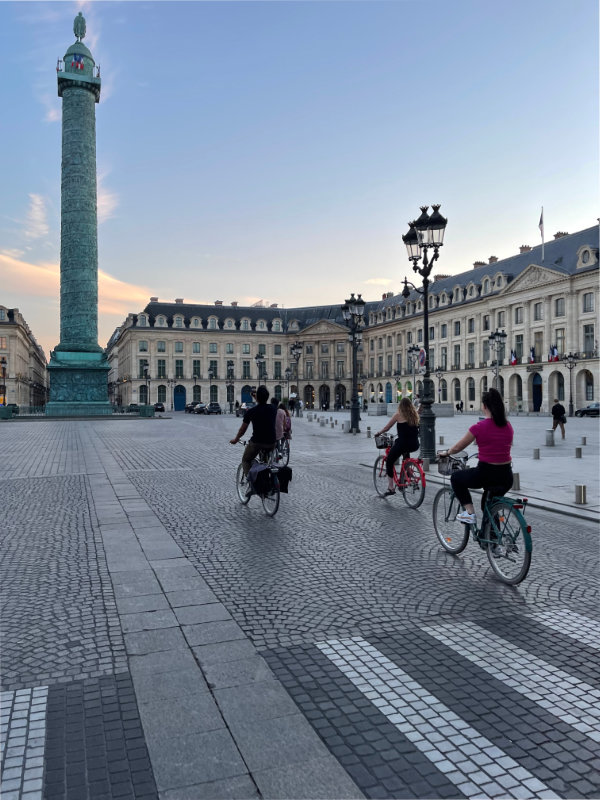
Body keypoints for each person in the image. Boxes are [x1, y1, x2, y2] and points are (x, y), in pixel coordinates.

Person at [439, 388, 513, 525]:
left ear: (484, 406)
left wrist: (447, 452)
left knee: (456, 478)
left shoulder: (479, 427)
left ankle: (469, 513)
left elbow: (458, 447)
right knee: (489, 505)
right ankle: (493, 540)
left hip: (487, 473)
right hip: (507, 475)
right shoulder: (508, 426)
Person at [374, 397, 420, 496]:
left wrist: (378, 433)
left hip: (403, 444)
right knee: (405, 456)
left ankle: (391, 488)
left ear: (401, 405)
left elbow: (387, 427)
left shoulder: (398, 415)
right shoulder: (414, 415)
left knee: (390, 461)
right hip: (415, 444)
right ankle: (409, 474)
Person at [230, 385, 277, 480]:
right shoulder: (273, 409)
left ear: (257, 398)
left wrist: (236, 439)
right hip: (272, 442)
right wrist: (257, 397)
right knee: (265, 462)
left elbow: (242, 430)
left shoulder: (251, 412)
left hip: (257, 443)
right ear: (267, 397)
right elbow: (263, 403)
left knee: (246, 460)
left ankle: (252, 482)